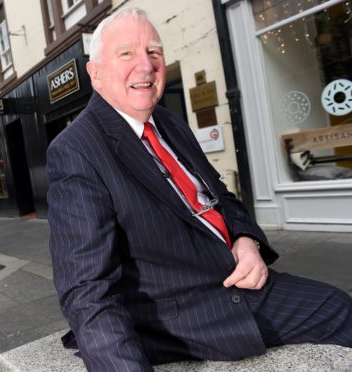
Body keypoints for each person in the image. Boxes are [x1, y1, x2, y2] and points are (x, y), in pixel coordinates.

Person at [46, 7, 352, 371]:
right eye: (126, 53)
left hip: (234, 273)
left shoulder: (168, 123)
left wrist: (245, 239)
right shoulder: (76, 150)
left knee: (339, 305)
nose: (146, 66)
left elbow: (219, 195)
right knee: (339, 311)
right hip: (184, 309)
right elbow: (85, 289)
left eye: (154, 52)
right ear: (95, 72)